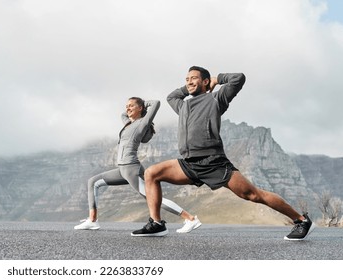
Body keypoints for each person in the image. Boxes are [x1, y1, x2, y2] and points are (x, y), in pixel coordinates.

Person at [132, 66, 316, 240]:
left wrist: (216, 79)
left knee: (252, 195)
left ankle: (301, 220)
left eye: (194, 78)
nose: (189, 82)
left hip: (214, 162)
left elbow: (238, 78)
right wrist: (189, 86)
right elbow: (171, 96)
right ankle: (156, 223)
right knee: (151, 173)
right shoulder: (182, 106)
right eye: (186, 79)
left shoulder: (216, 99)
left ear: (205, 81)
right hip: (189, 163)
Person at [74, 97, 201, 234]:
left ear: (140, 108)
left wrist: (143, 105)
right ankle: (92, 221)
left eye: (131, 106)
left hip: (131, 169)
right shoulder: (128, 123)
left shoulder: (142, 123)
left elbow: (156, 103)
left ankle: (190, 218)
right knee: (93, 182)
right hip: (122, 169)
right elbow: (122, 114)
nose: (127, 108)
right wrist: (132, 107)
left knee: (152, 198)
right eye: (126, 106)